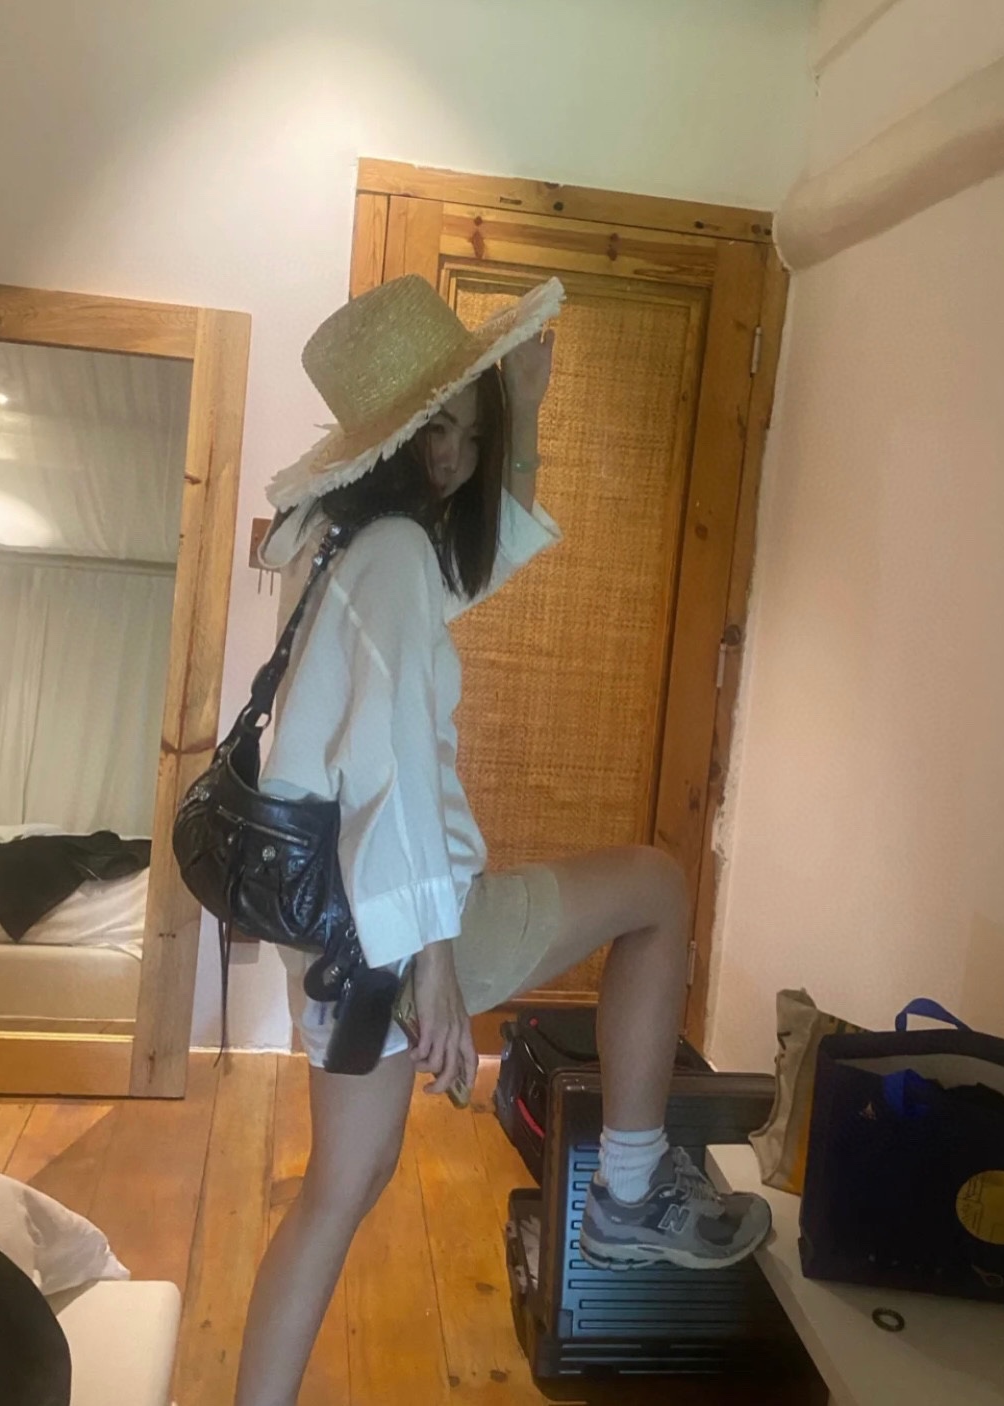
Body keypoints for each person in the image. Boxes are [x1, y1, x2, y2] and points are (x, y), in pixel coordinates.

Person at [234, 275, 771, 1406]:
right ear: (386, 441)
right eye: (438, 430)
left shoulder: (341, 543)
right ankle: (629, 1192)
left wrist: (519, 413)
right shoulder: (390, 555)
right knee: (658, 886)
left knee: (342, 1188)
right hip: (402, 920)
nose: (456, 457)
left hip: (336, 926)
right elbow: (395, 772)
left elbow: (465, 575)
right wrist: (435, 962)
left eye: (468, 433)